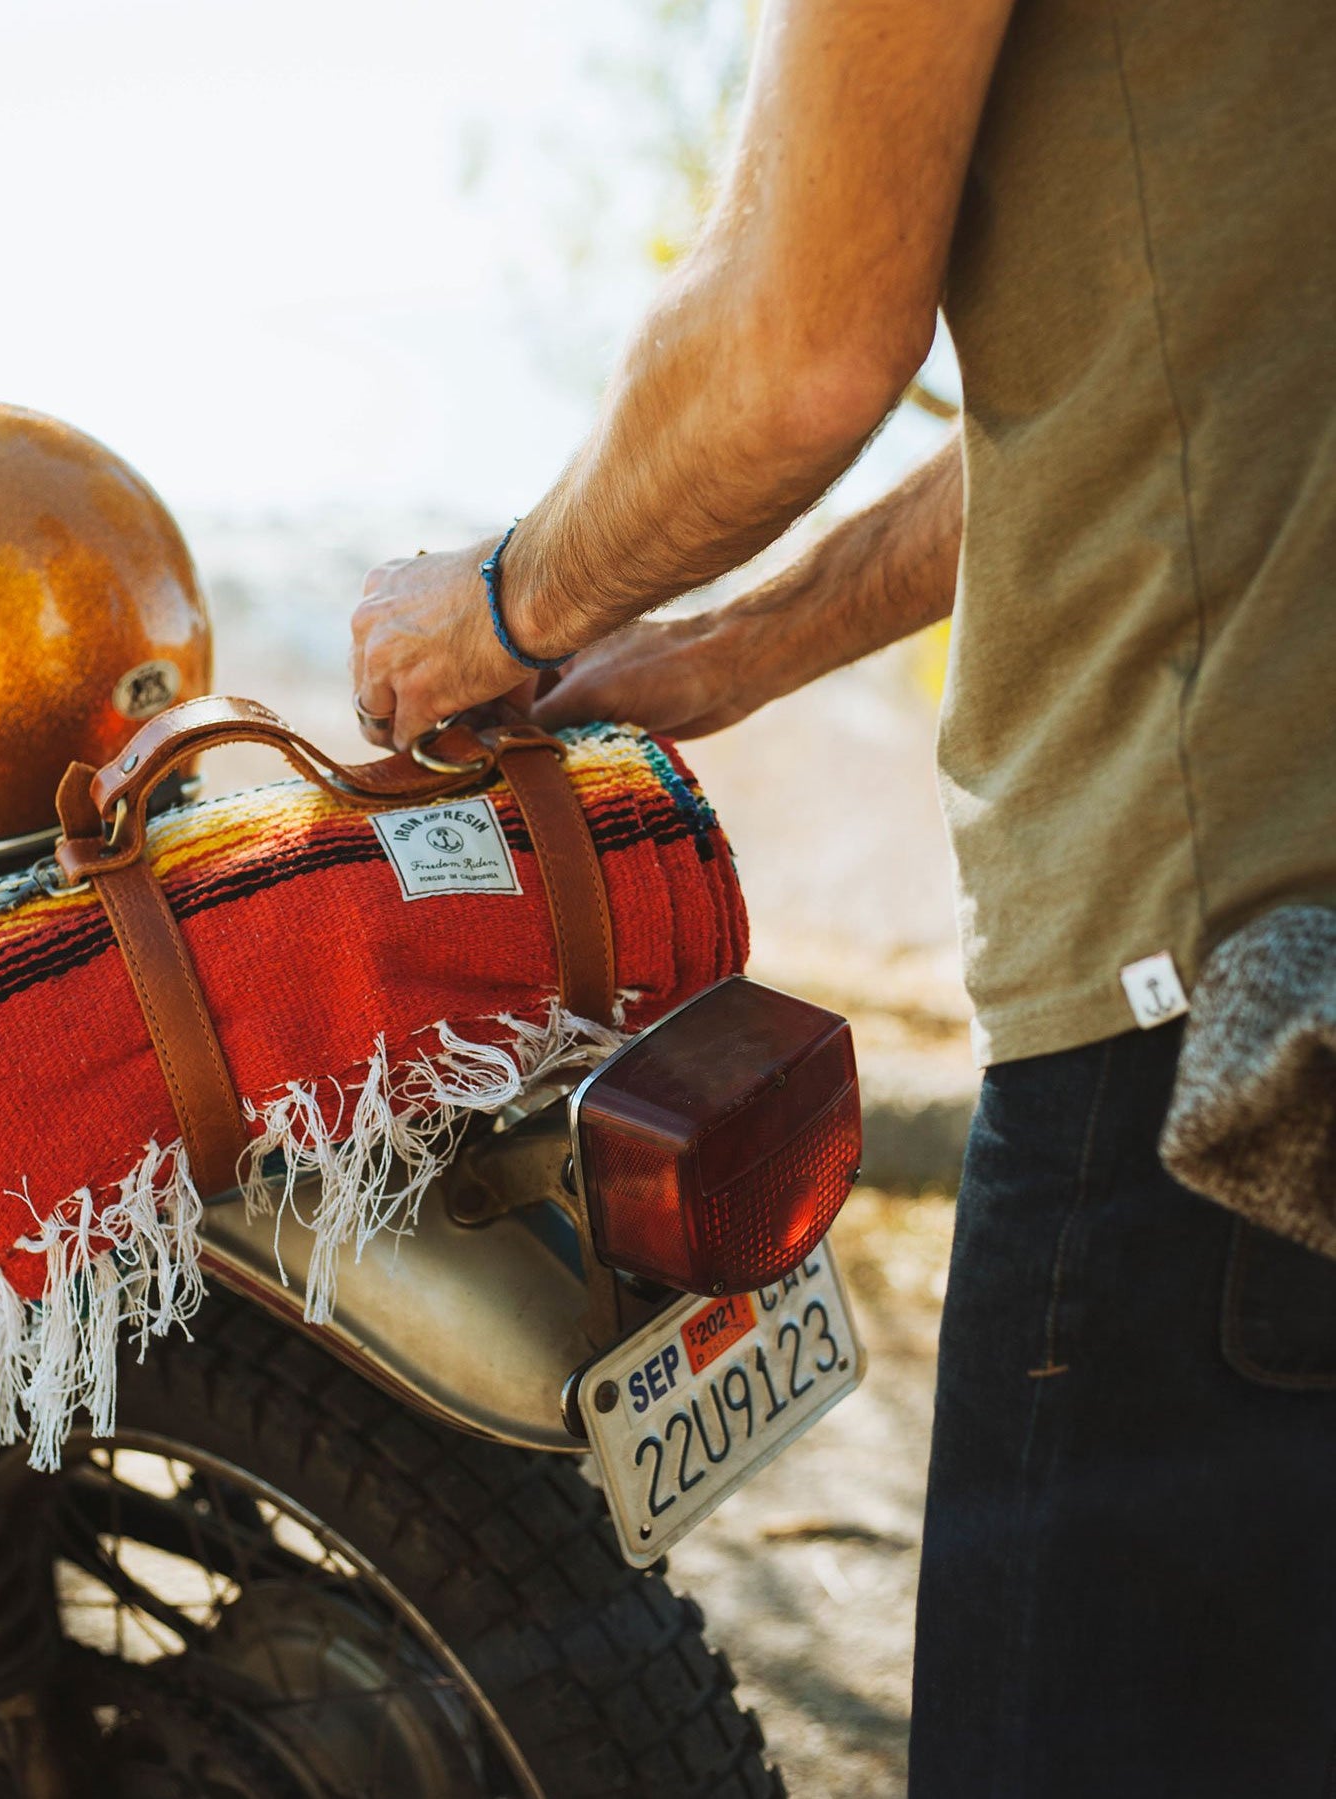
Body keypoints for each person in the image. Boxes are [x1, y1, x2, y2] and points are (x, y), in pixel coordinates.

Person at [349, 2, 1336, 1792]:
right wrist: (724, 648)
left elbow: (792, 346)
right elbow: (1144, 381)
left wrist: (496, 603)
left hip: (1218, 1034)